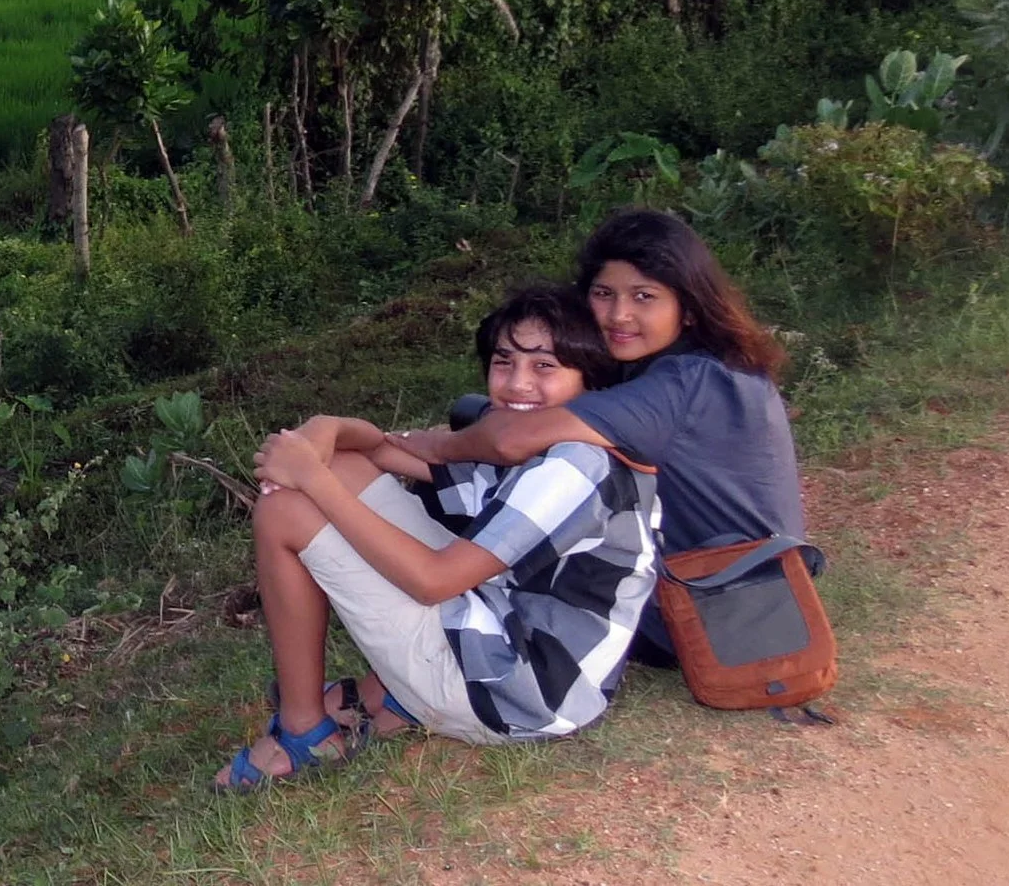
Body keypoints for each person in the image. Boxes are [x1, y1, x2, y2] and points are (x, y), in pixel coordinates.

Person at [213, 284, 660, 790]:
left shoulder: (577, 465)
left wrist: (310, 476)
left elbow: (433, 582)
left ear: (591, 381)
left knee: (282, 511)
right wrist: (325, 430)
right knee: (342, 465)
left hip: (520, 695)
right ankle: (396, 692)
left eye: (545, 367)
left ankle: (304, 733)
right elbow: (380, 450)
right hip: (510, 638)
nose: (517, 384)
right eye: (504, 362)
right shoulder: (529, 440)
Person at [396, 208, 802, 661]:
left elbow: (511, 440)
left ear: (687, 309)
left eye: (644, 297)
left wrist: (439, 445)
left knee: (534, 481)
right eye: (603, 294)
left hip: (698, 611)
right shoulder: (713, 366)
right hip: (747, 597)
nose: (618, 315)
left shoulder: (686, 382)